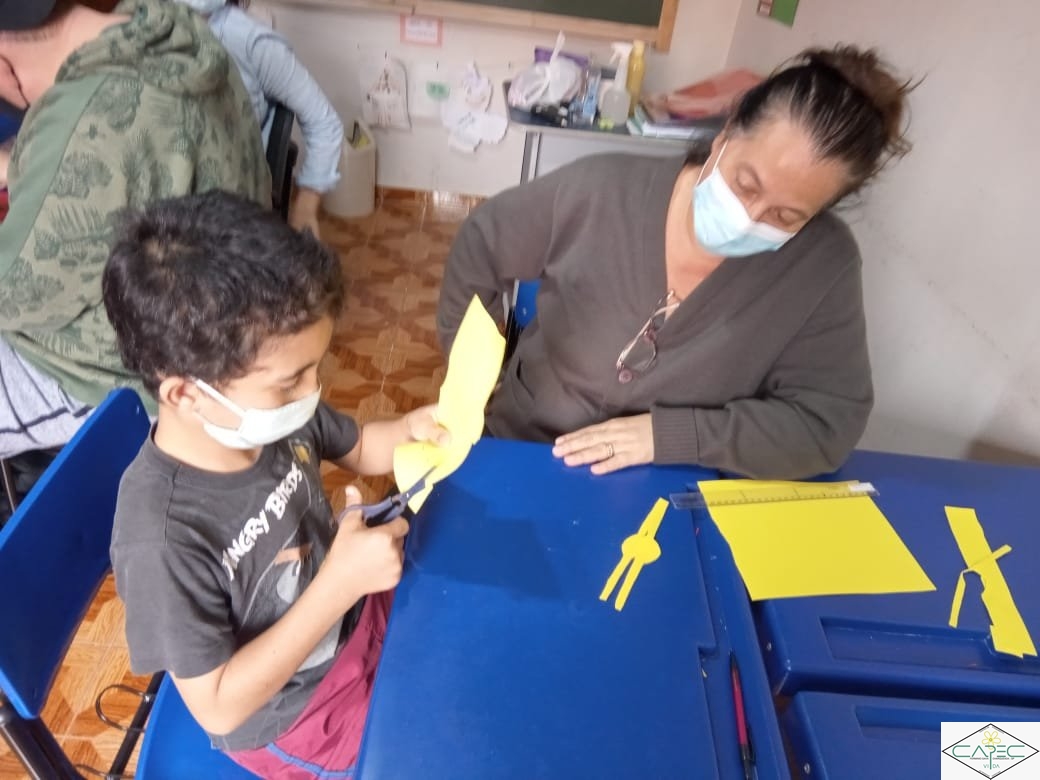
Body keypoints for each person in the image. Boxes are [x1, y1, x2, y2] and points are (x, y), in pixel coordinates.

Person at [438, 45, 914, 480]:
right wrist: (469, 383)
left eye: (785, 216)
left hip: (665, 484)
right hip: (523, 445)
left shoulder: (823, 266)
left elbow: (826, 424)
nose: (749, 219)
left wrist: (672, 436)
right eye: (745, 184)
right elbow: (482, 242)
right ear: (725, 137)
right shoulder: (599, 190)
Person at [105, 191, 449, 776]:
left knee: (467, 635)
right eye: (292, 381)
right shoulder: (160, 537)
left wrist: (413, 430)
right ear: (186, 393)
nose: (313, 391)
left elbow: (361, 447)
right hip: (298, 711)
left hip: (354, 604)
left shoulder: (269, 413)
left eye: (315, 369)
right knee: (433, 750)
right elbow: (218, 704)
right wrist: (339, 584)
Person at [0, 0, 270, 459]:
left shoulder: (91, 120)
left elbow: (16, 295)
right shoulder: (176, 34)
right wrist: (25, 165)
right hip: (216, 328)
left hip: (128, 378)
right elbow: (130, 171)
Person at [175, 0, 344, 237]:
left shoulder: (251, 42)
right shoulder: (142, 32)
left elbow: (324, 122)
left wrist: (306, 207)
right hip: (170, 202)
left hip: (231, 207)